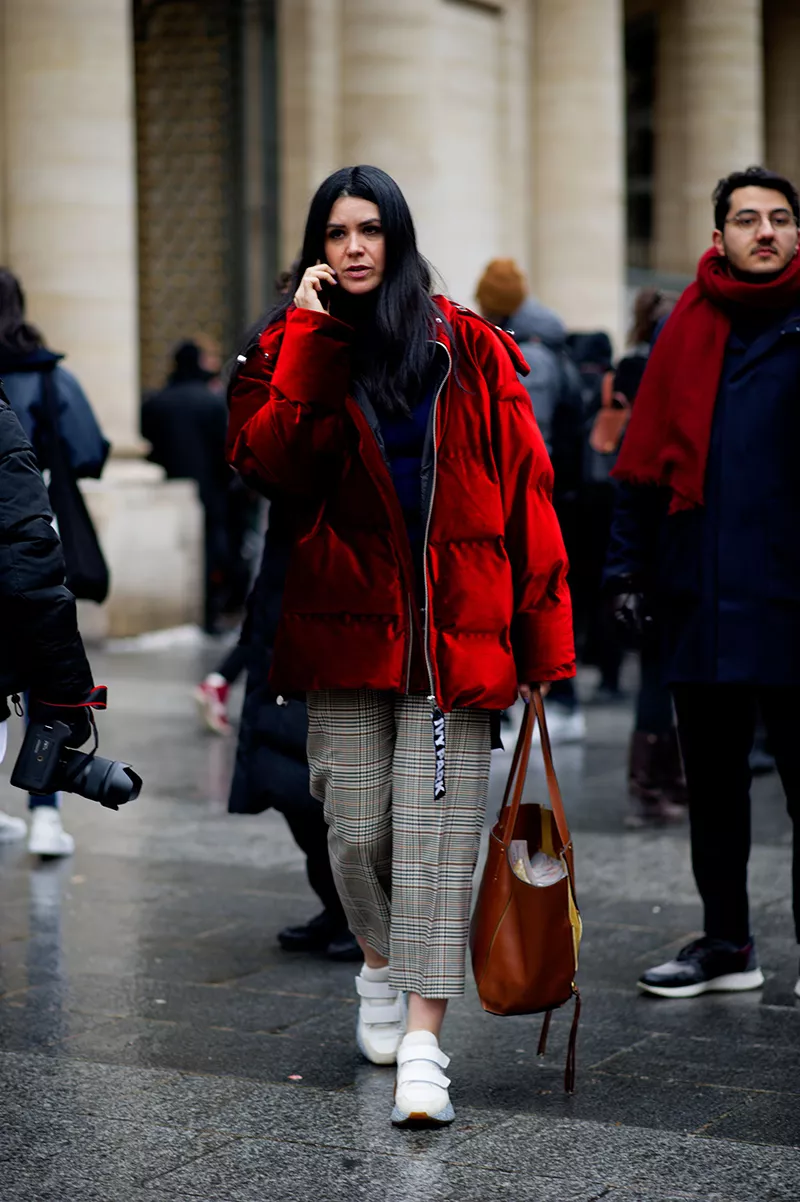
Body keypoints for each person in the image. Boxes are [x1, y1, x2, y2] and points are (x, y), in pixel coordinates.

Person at [227, 165, 574, 1125]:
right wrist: (310, 340)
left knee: (431, 844)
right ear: (315, 248)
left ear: (399, 237)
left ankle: (425, 1042)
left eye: (370, 229)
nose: (354, 247)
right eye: (335, 232)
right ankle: (378, 961)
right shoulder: (283, 348)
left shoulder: (469, 347)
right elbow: (273, 466)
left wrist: (543, 647)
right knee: (356, 831)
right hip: (344, 640)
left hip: (458, 645)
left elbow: (527, 499)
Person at [607, 165, 800, 999]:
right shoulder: (686, 327)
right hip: (703, 599)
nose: (765, 231)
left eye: (781, 218)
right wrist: (625, 568)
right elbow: (640, 466)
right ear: (718, 236)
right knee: (714, 789)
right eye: (747, 218)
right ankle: (728, 944)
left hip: (795, 603)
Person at [0, 268, 108, 856]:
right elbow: (90, 450)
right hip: (32, 529)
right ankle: (44, 811)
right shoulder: (46, 375)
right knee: (43, 659)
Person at [226, 499, 360, 962]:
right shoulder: (289, 488)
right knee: (290, 791)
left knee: (330, 798)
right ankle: (336, 908)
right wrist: (233, 665)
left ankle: (359, 916)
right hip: (279, 638)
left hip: (330, 641)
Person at [476, 260, 585, 744]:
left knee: (539, 593)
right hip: (546, 494)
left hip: (534, 497)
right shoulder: (540, 340)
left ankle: (559, 701)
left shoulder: (531, 354)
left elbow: (527, 440)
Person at [610, 288, 686, 827]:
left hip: (657, 546)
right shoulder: (660, 379)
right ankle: (654, 783)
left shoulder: (631, 366)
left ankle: (659, 780)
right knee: (661, 674)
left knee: (661, 673)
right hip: (663, 546)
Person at [141, 338, 233, 635]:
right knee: (210, 555)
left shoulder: (158, 402)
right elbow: (225, 449)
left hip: (168, 490)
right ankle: (209, 614)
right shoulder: (210, 402)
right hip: (210, 490)